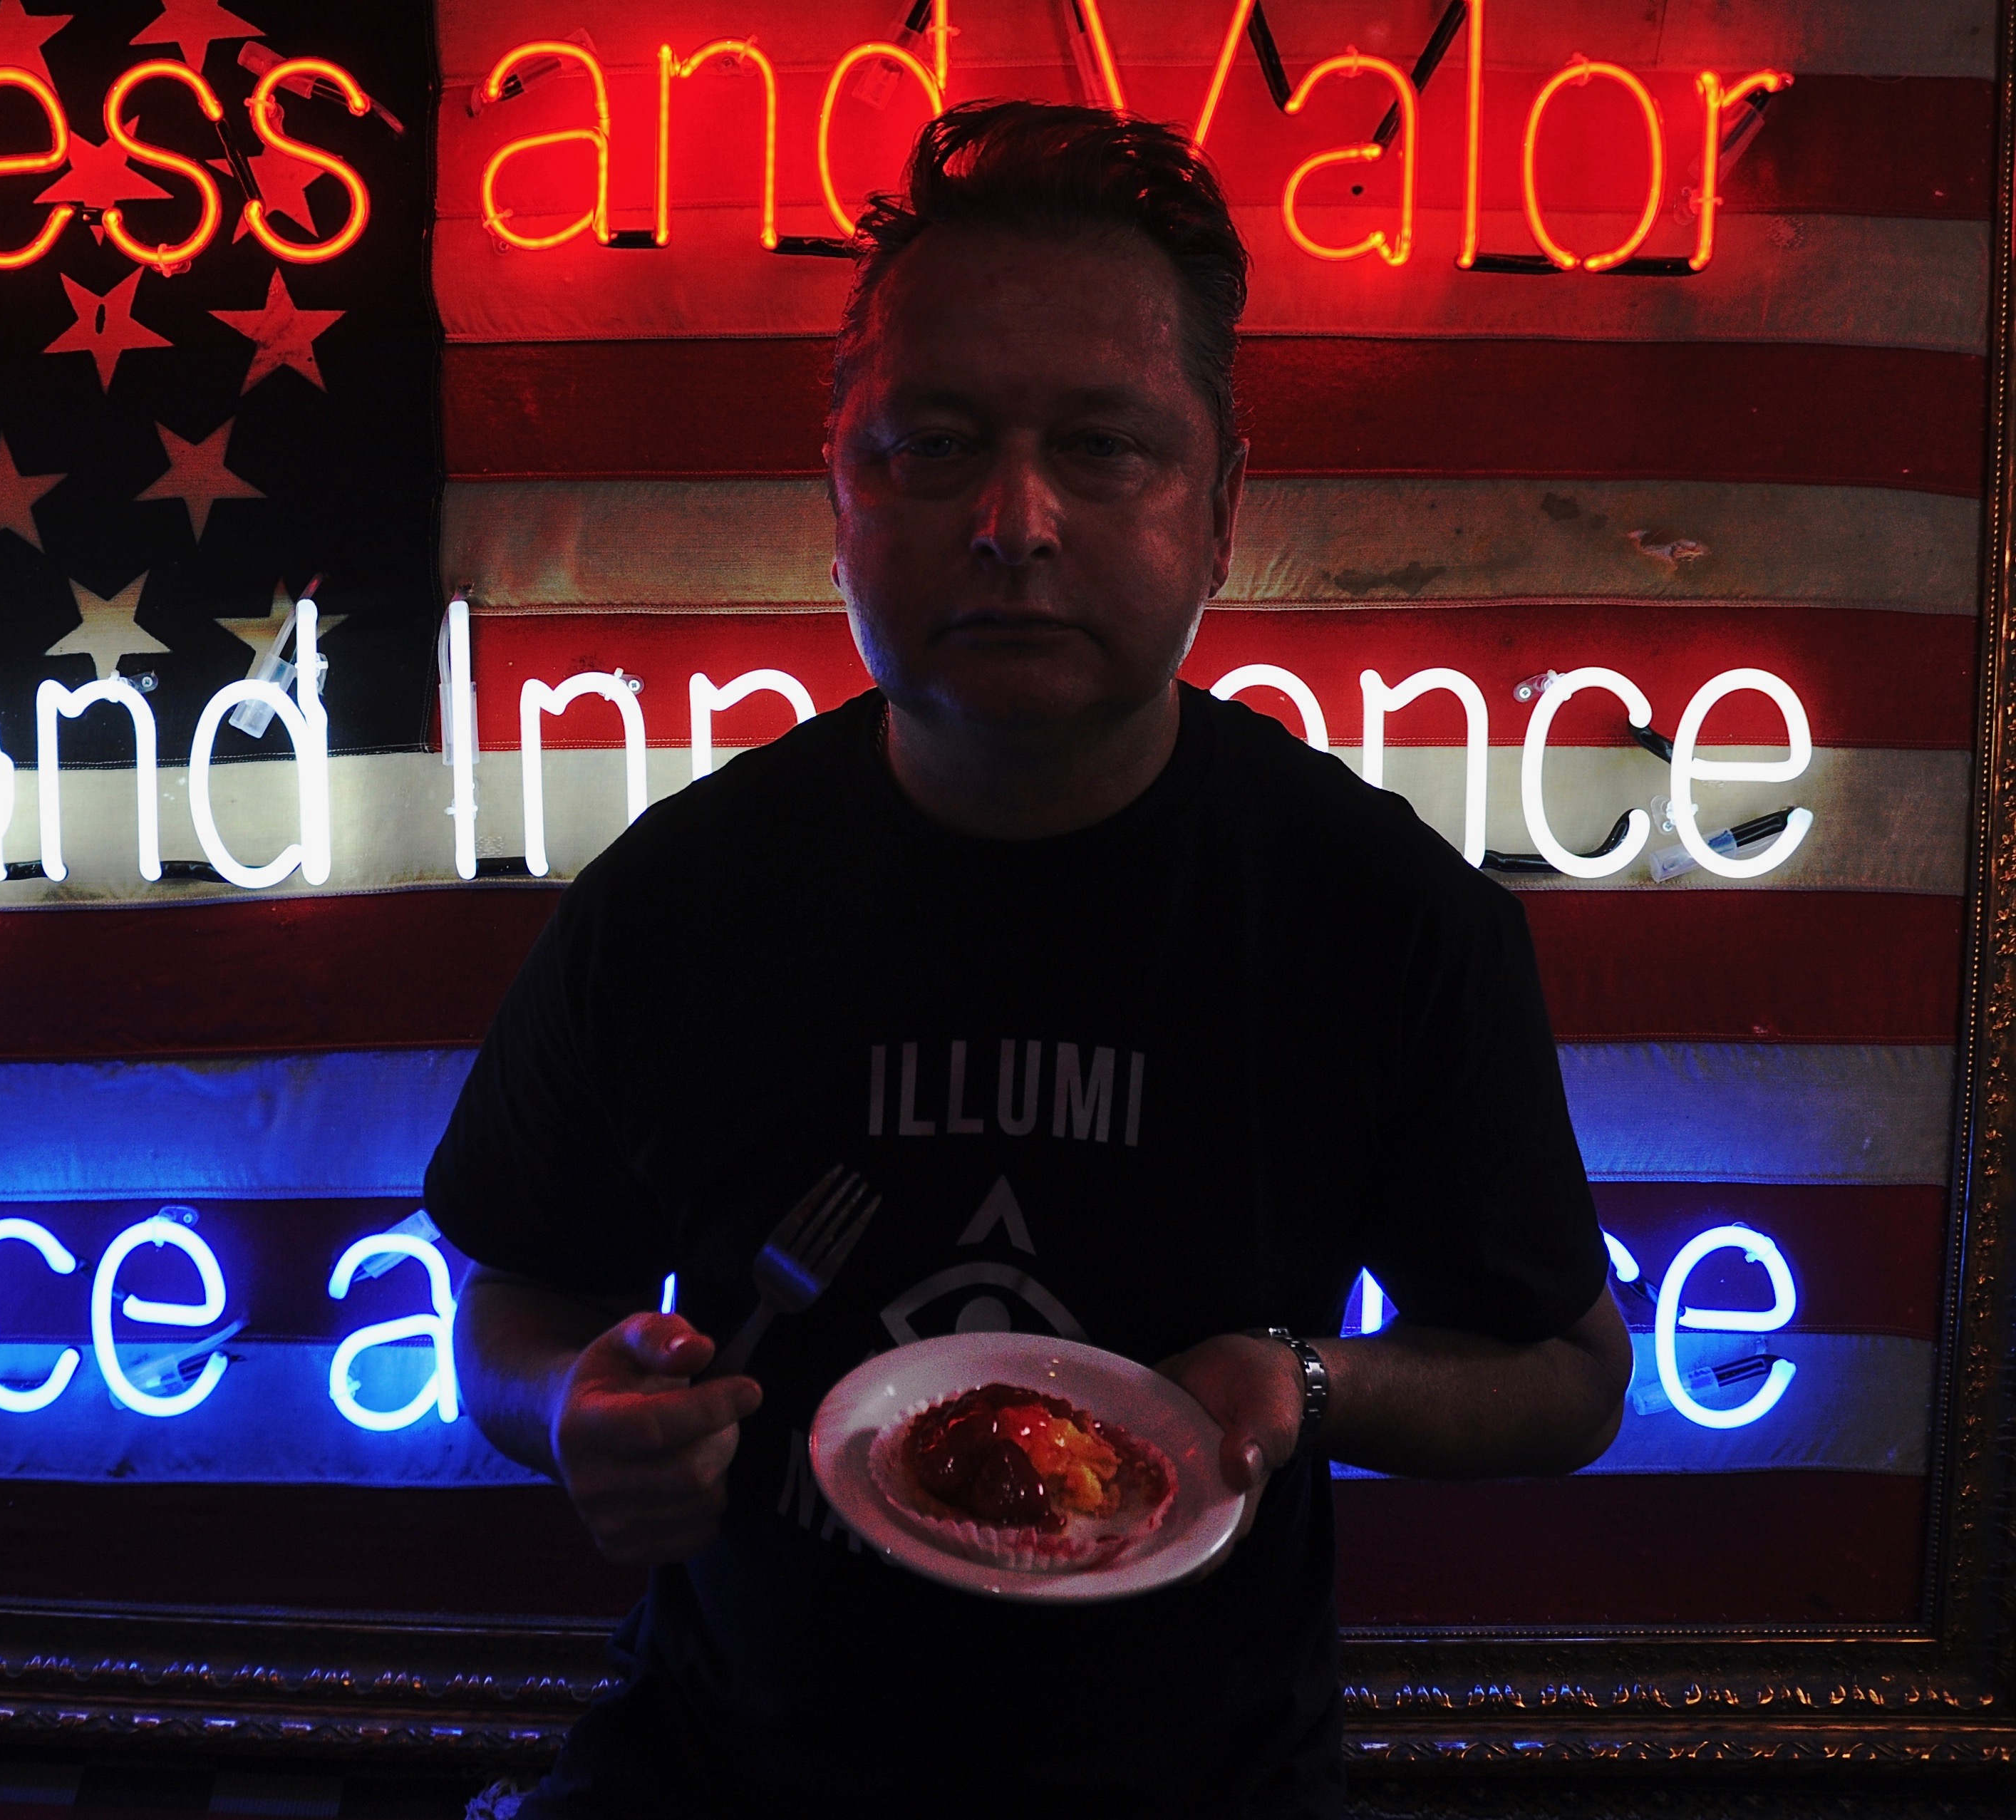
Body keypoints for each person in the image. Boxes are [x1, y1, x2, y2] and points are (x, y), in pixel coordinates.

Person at [423, 100, 1630, 1817]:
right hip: (730, 1767)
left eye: (1103, 445)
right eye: (931, 445)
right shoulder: (679, 894)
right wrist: (574, 1414)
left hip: (1203, 1781)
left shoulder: (1379, 913)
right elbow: (512, 1309)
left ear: (1219, 511)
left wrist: (1306, 1384)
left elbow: (1569, 1375)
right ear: (836, 499)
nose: (1013, 519)